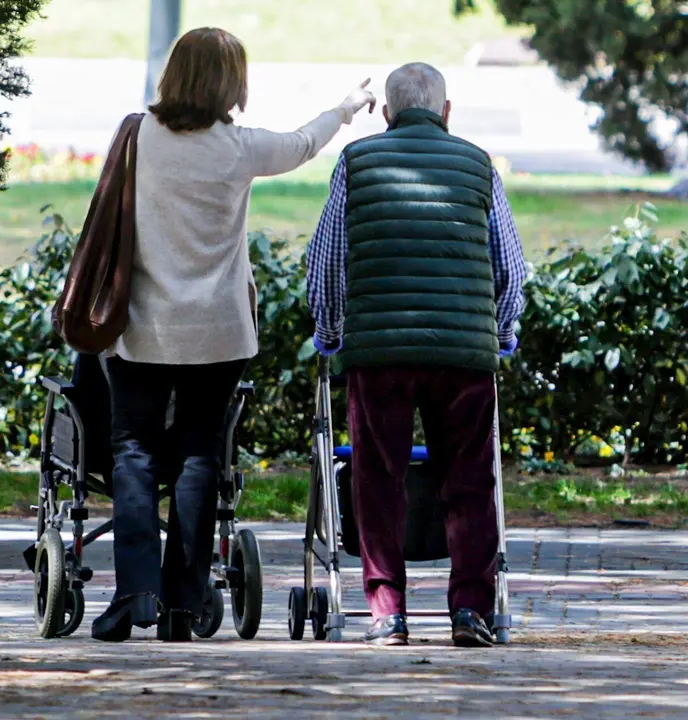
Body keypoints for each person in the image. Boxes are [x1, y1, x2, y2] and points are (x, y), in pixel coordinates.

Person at [90, 27, 376, 643]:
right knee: (199, 456)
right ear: (232, 84)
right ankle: (182, 609)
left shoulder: (139, 137)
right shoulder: (238, 150)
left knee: (133, 454)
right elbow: (303, 143)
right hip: (219, 332)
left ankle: (133, 590)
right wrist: (347, 109)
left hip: (143, 328)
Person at [306, 62, 527, 648]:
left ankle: (388, 612)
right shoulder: (479, 164)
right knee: (470, 483)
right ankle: (472, 611)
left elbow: (327, 262)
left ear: (386, 113)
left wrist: (331, 332)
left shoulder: (356, 163)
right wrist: (501, 332)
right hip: (464, 355)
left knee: (379, 479)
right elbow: (509, 265)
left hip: (380, 355)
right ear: (446, 112)